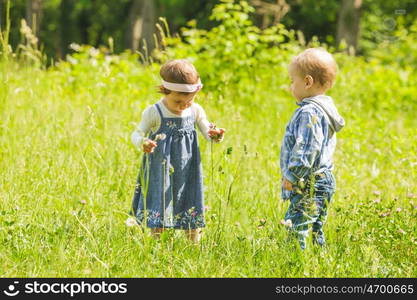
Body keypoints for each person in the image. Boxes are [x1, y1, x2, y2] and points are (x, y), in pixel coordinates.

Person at [131, 59, 225, 242]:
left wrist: (215, 135)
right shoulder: (155, 112)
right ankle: (156, 242)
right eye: (178, 101)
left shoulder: (195, 110)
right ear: (166, 91)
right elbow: (136, 133)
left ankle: (194, 244)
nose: (184, 105)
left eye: (189, 101)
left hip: (188, 168)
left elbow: (207, 131)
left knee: (191, 197)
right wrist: (142, 142)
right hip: (161, 169)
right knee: (160, 199)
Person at [280, 48, 345, 250]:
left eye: (293, 81)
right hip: (324, 179)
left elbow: (308, 149)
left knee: (295, 226)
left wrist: (291, 176)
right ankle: (319, 265)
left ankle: (294, 266)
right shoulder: (326, 107)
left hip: (310, 181)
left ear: (307, 82)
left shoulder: (309, 112)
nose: (291, 86)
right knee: (315, 227)